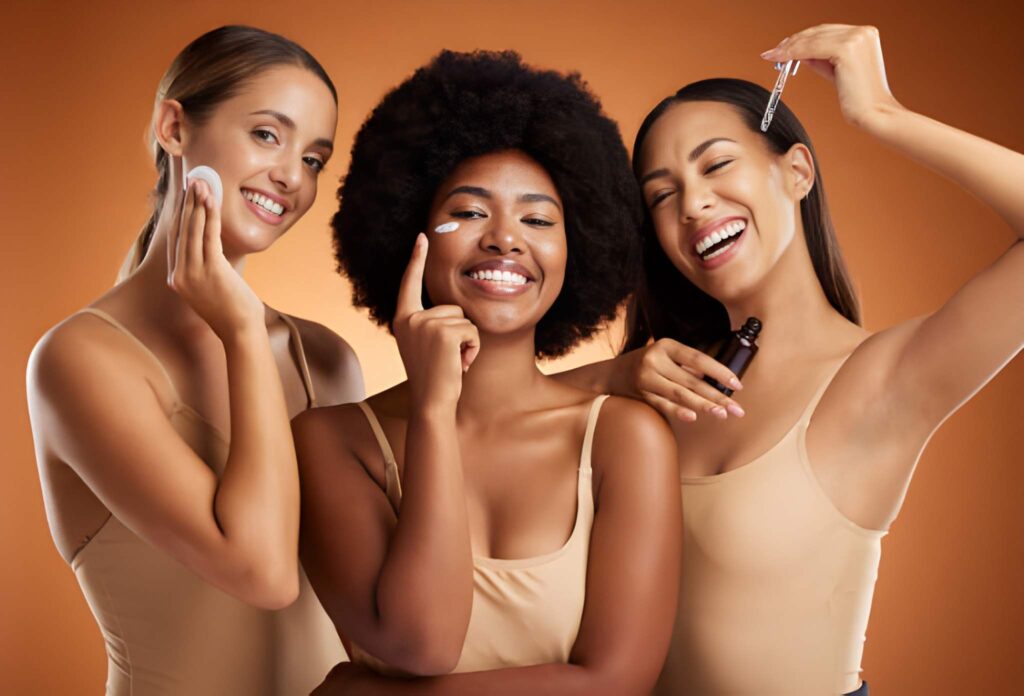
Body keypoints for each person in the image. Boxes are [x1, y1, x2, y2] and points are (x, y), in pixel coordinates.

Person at [559, 24, 1024, 696]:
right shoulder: (655, 384)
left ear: (797, 169)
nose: (694, 205)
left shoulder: (881, 380)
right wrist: (615, 375)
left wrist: (881, 115)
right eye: (661, 195)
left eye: (717, 165)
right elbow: (483, 414)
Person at [295, 50, 681, 695]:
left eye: (538, 219)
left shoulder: (624, 439)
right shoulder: (330, 443)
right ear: (407, 231)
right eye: (470, 212)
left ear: (576, 249)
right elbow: (422, 643)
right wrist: (432, 411)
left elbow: (617, 684)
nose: (506, 239)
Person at [26, 25, 363, 695]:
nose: (291, 176)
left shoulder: (323, 356)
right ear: (174, 127)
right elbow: (261, 571)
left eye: (316, 158)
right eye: (268, 134)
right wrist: (240, 327)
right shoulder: (81, 360)